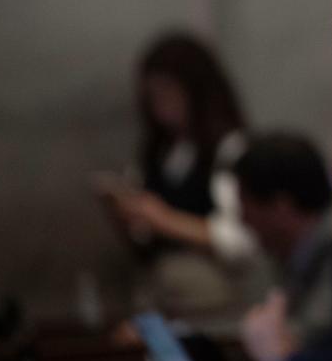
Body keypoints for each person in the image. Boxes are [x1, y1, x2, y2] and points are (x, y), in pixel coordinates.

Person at [95, 31, 266, 328]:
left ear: (196, 92)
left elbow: (241, 240)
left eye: (168, 95)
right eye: (153, 98)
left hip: (209, 297)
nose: (160, 108)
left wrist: (163, 218)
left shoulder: (228, 149)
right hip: (159, 290)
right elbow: (145, 243)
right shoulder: (162, 152)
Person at [234, 132, 332, 361]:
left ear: (281, 206)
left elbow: (312, 337)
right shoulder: (300, 250)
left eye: (245, 204)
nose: (241, 219)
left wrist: (278, 352)